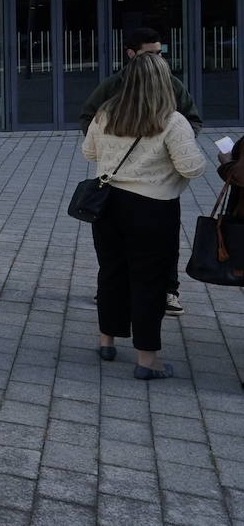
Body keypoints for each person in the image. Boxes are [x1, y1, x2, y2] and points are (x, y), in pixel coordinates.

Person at [83, 52, 206, 380]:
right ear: (163, 81)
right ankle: (146, 358)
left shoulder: (106, 112)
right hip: (153, 208)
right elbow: (192, 167)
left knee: (111, 273)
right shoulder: (172, 120)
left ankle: (107, 340)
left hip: (107, 205)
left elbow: (89, 152)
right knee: (148, 281)